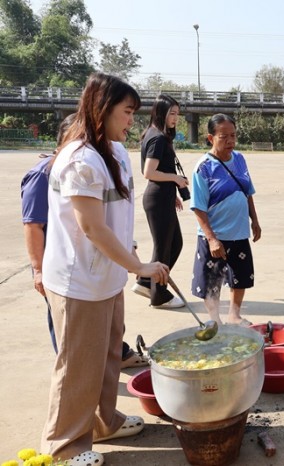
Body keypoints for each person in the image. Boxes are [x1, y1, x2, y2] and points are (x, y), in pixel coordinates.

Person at [41, 73, 170, 465]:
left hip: (106, 277)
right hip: (79, 281)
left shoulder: (112, 151)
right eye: (126, 112)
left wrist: (128, 253)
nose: (131, 121)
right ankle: (63, 447)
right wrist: (139, 266)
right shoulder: (80, 160)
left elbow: (115, 217)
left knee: (108, 357)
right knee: (78, 367)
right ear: (102, 108)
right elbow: (92, 228)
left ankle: (103, 421)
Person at [20, 114, 148, 369]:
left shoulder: (101, 164)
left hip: (95, 268)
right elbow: (33, 226)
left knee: (104, 334)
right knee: (71, 341)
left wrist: (129, 250)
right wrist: (38, 269)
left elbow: (112, 216)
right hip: (66, 270)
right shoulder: (44, 174)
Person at [191, 113, 261, 326]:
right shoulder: (203, 167)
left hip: (239, 232)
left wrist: (254, 220)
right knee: (211, 281)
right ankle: (215, 320)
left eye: (233, 135)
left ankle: (234, 315)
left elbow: (248, 191)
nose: (230, 141)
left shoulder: (239, 159)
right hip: (215, 236)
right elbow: (198, 207)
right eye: (224, 137)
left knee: (240, 277)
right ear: (210, 138)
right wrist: (212, 239)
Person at [131, 94, 187, 309]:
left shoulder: (155, 134)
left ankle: (147, 282)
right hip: (157, 198)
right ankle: (159, 295)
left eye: (177, 114)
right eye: (172, 113)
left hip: (162, 197)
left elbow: (159, 170)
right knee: (163, 249)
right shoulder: (158, 138)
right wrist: (175, 179)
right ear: (161, 113)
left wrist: (172, 193)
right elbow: (149, 172)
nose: (175, 118)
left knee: (174, 244)